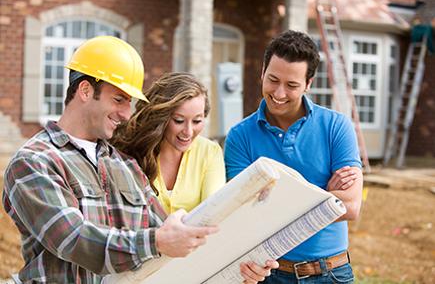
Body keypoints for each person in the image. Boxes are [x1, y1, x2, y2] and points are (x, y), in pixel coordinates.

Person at [2, 36, 275, 284]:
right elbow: (74, 240)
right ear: (85, 91)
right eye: (119, 99)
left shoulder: (124, 165)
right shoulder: (34, 162)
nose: (125, 113)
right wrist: (156, 241)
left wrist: (239, 266)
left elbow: (173, 238)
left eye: (129, 102)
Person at [224, 30, 363, 284]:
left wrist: (274, 199)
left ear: (308, 84)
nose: (278, 93)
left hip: (331, 273)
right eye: (273, 79)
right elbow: (243, 210)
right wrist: (323, 194)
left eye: (291, 85)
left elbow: (351, 206)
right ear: (262, 72)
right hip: (269, 274)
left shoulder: (336, 127)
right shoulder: (239, 136)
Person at [112, 72, 225, 214]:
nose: (188, 131)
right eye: (178, 120)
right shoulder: (132, 150)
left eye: (197, 121)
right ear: (161, 118)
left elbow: (214, 211)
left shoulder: (210, 152)